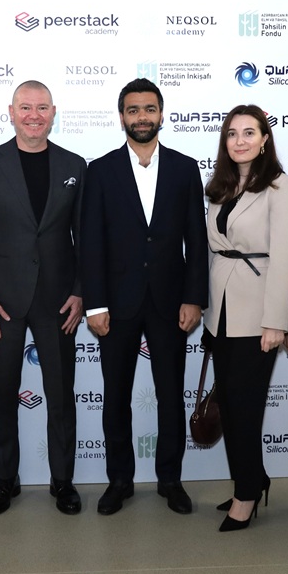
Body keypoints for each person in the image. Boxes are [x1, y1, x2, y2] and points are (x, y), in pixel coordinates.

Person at [79, 78, 209, 516]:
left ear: (161, 114)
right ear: (122, 117)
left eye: (149, 109)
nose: (141, 117)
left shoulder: (185, 168)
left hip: (171, 303)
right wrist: (96, 304)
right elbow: (91, 242)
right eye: (133, 110)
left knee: (171, 395)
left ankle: (170, 479)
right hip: (116, 305)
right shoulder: (100, 170)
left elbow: (196, 239)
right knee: (115, 396)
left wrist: (194, 298)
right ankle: (120, 480)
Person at [0, 80, 86, 516]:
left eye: (41, 108)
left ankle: (63, 481)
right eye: (25, 108)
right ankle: (5, 480)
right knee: (2, 393)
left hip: (59, 301)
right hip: (2, 302)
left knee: (61, 395)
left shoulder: (75, 165)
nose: (33, 116)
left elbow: (85, 238)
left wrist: (80, 291)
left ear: (53, 112)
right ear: (11, 112)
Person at [203, 104, 288, 532]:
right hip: (220, 313)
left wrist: (276, 321)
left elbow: (284, 258)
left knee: (245, 408)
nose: (239, 140)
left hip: (258, 314)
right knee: (229, 404)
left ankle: (246, 495)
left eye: (249, 132)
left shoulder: (280, 187)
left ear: (264, 140)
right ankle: (252, 478)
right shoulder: (221, 187)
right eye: (232, 133)